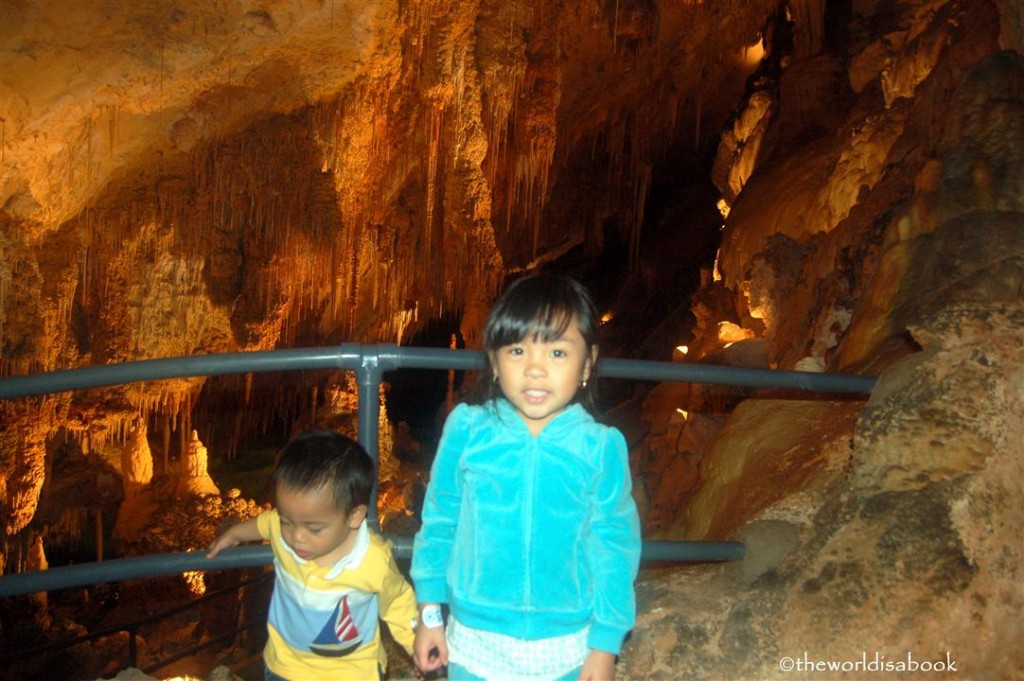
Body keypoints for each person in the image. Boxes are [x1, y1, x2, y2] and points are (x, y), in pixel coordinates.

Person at [411, 272, 642, 680]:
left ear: (586, 364)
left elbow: (614, 547)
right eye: (517, 351)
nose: (535, 370)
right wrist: (430, 613)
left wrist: (606, 644)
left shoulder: (600, 448)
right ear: (495, 363)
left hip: (566, 645)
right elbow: (440, 520)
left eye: (556, 353)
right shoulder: (467, 430)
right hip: (475, 639)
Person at [207, 429, 417, 681]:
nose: (296, 536)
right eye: (288, 520)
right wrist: (235, 534)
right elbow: (266, 522)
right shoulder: (286, 527)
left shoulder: (371, 559)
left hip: (353, 673)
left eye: (314, 528)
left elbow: (399, 605)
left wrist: (418, 648)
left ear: (354, 516)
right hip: (285, 668)